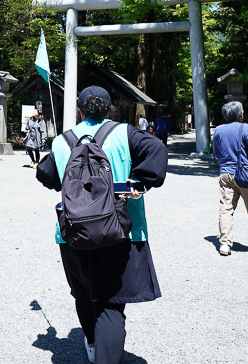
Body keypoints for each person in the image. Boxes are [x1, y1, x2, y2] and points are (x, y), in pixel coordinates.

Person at [36, 86, 166, 364]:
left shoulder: (62, 140)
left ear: (80, 110)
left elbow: (46, 175)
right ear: (109, 109)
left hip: (73, 231)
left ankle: (92, 343)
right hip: (120, 229)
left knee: (83, 293)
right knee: (111, 303)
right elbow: (156, 150)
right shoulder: (125, 133)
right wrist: (138, 181)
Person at [212, 101, 248, 256]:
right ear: (240, 116)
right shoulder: (244, 128)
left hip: (225, 174)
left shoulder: (218, 130)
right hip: (245, 176)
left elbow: (216, 153)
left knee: (226, 209)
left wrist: (224, 165)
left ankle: (225, 244)